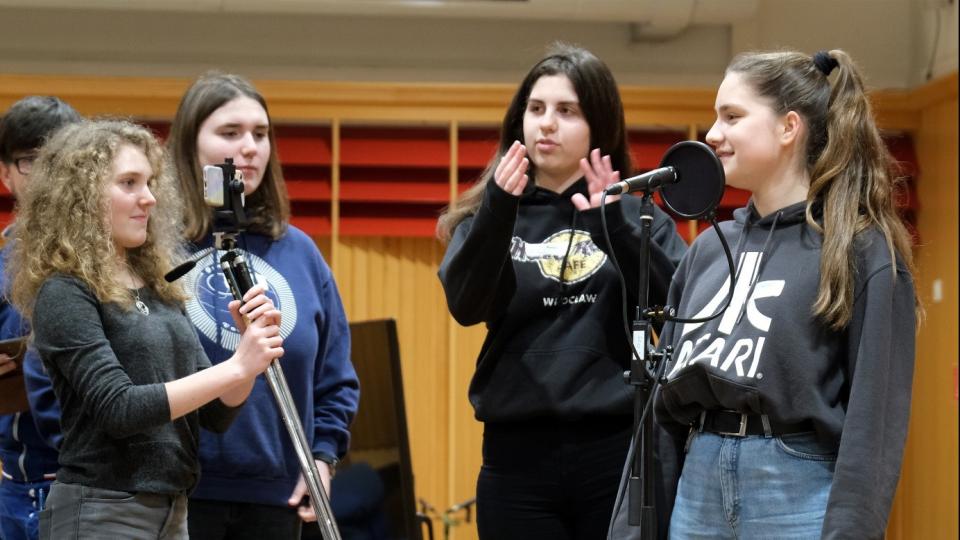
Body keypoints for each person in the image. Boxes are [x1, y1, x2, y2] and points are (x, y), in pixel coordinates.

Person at [648, 50, 919, 539]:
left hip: (797, 488)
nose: (712, 133)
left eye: (732, 116)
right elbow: (663, 405)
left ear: (788, 127)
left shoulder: (860, 249)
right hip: (698, 482)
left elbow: (873, 423)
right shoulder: (707, 249)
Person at [436, 44, 687, 540]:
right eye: (536, 109)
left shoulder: (638, 216)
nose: (546, 124)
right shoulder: (487, 215)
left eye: (566, 111)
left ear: (599, 124)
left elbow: (678, 309)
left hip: (615, 451)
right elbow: (466, 306)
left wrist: (615, 223)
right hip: (516, 457)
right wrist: (497, 211)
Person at [7, 119, 285, 539]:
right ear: (81, 197)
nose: (149, 198)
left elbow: (217, 413)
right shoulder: (63, 291)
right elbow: (120, 409)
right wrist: (238, 367)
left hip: (173, 511)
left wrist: (246, 353)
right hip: (101, 512)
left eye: (150, 182)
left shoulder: (157, 287)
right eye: (130, 183)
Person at [166, 72, 359, 539]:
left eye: (260, 133)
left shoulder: (300, 252)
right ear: (191, 146)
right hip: (178, 495)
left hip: (278, 497)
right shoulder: (159, 249)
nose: (249, 146)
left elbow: (335, 378)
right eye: (230, 133)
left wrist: (323, 456)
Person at [0, 95, 80, 540]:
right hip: (19, 482)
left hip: (93, 482)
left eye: (59, 157)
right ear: (6, 174)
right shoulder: (2, 262)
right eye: (31, 159)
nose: (48, 172)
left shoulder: (111, 257)